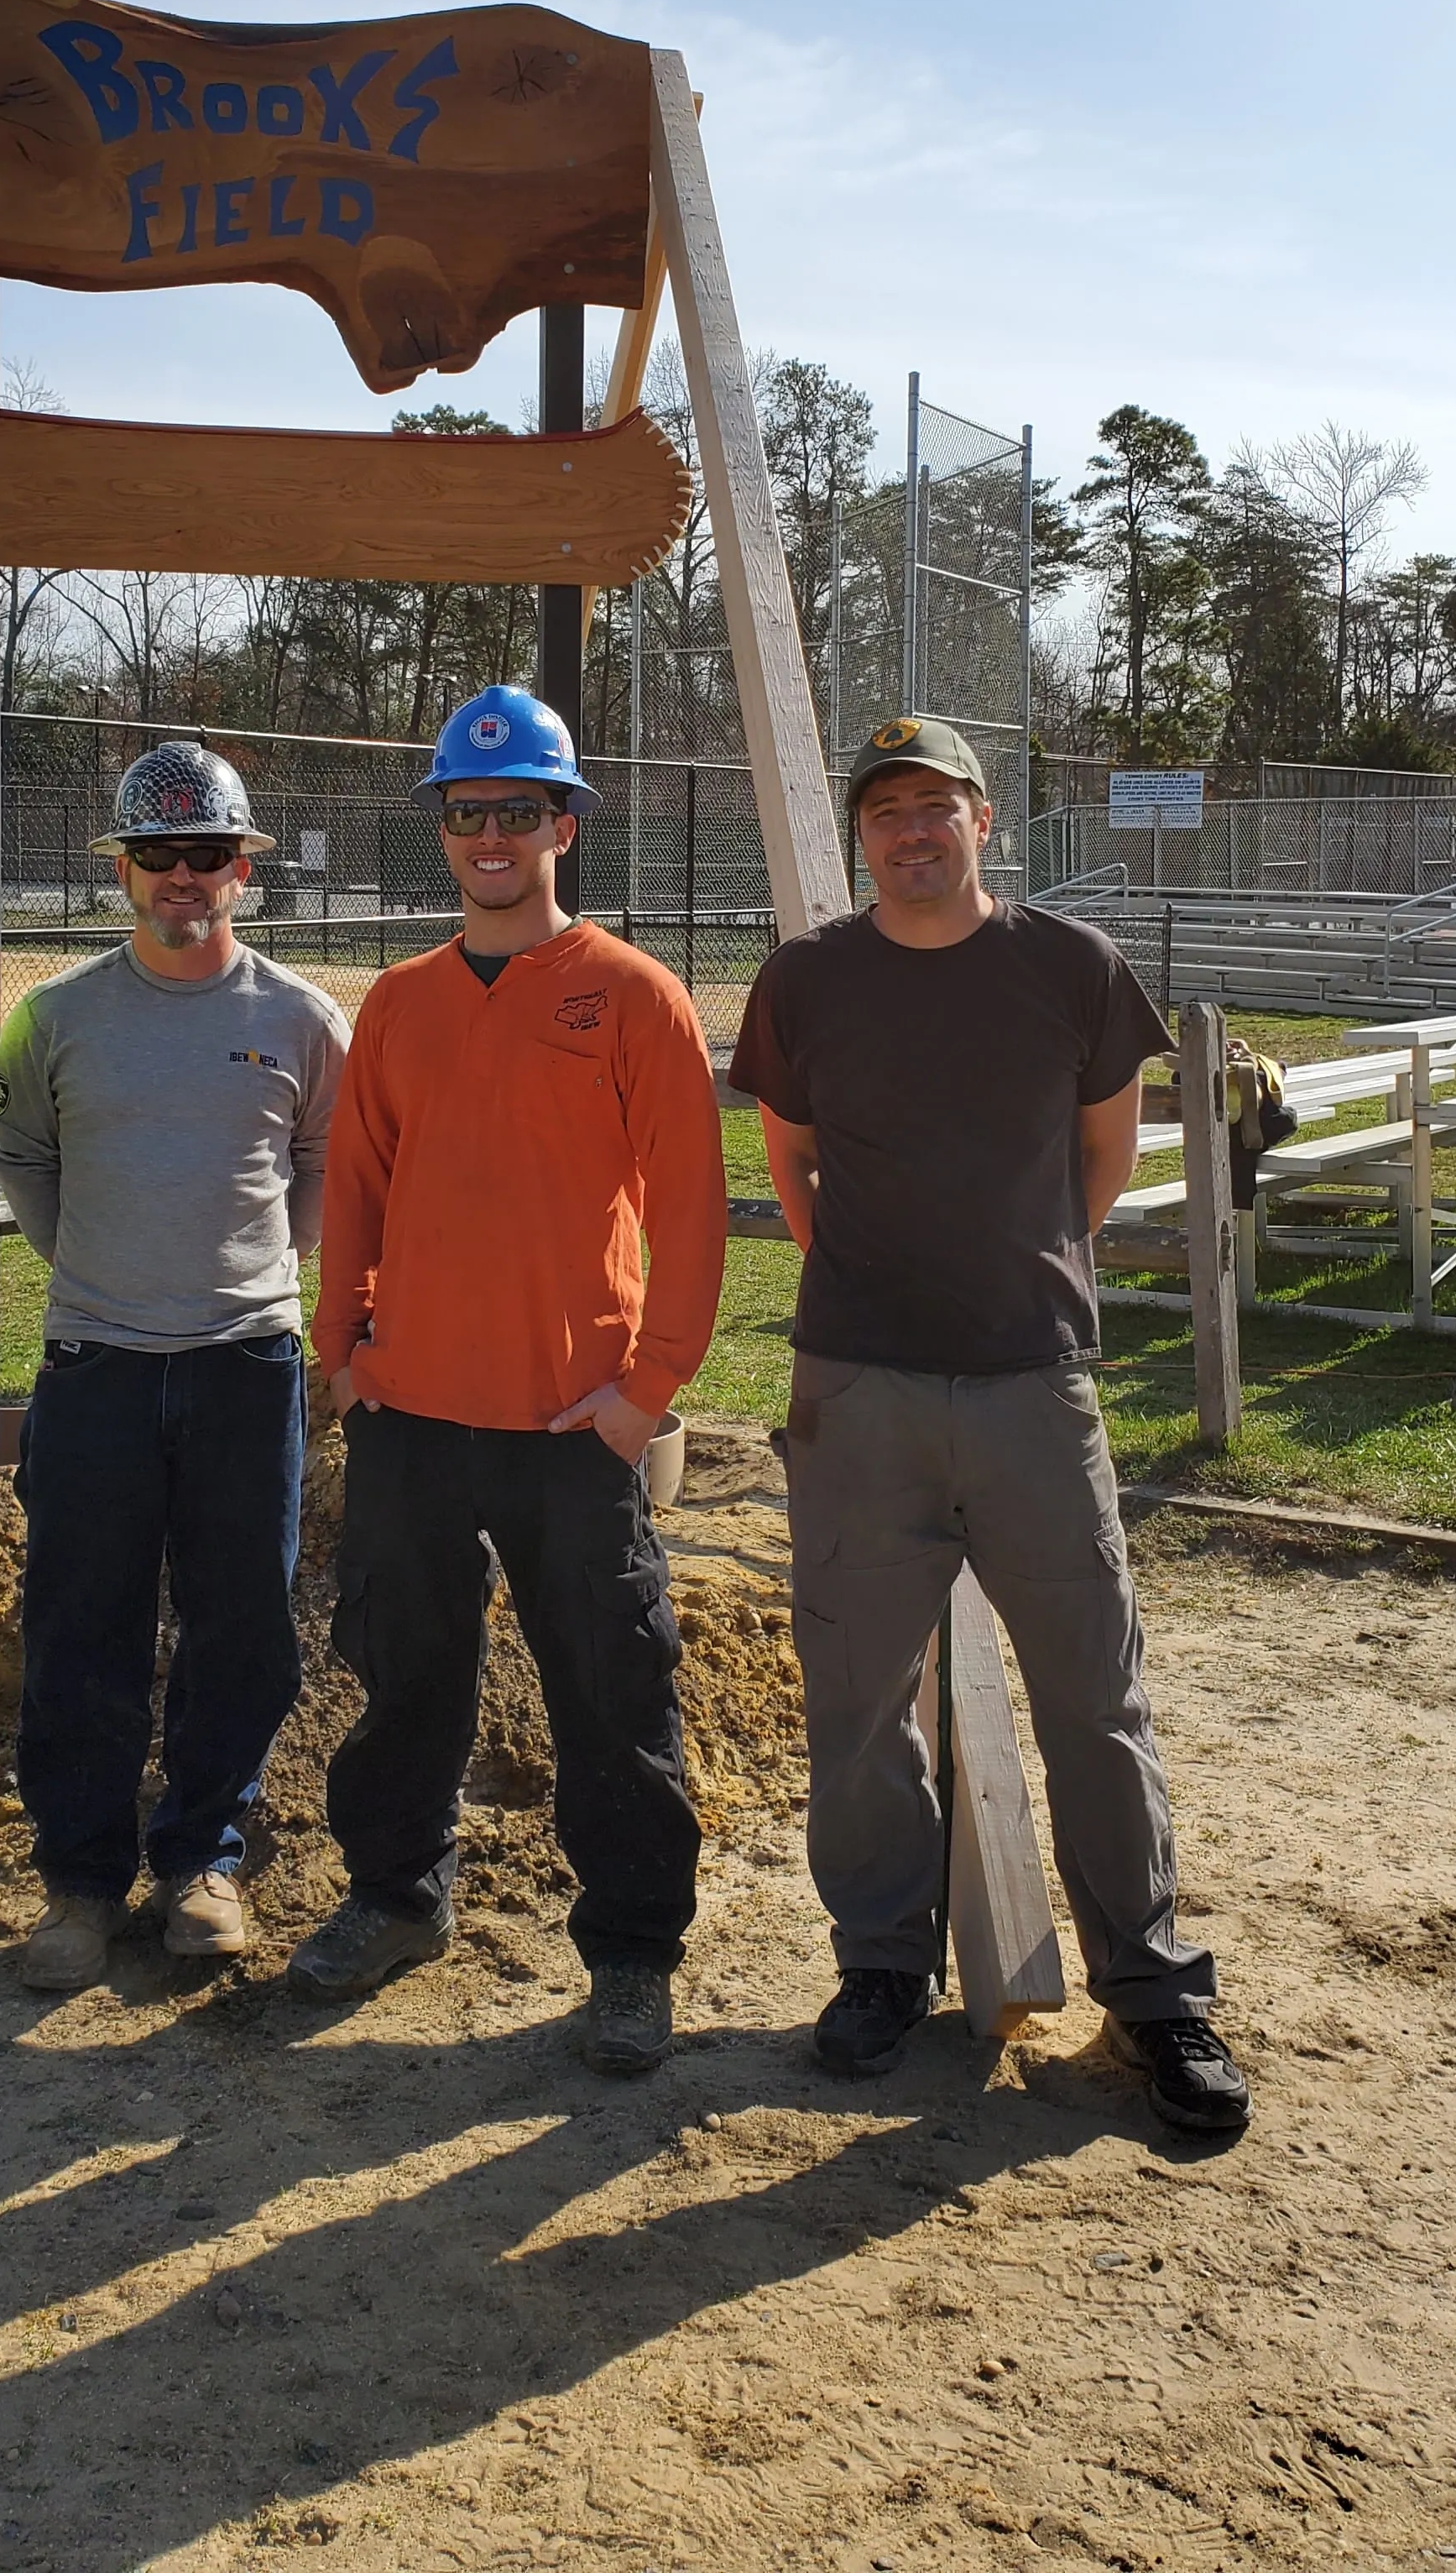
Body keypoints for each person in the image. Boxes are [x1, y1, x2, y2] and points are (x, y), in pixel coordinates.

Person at [728, 714, 1249, 2133]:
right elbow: (789, 1157)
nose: (910, 831)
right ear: (860, 837)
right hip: (859, 1391)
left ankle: (1153, 1994)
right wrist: (882, 1286)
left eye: (935, 806)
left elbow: (1106, 1149)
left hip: (1033, 1385)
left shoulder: (1070, 968)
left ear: (983, 820)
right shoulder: (808, 981)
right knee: (857, 1704)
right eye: (883, 810)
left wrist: (1021, 1276)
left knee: (1095, 1694)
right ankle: (882, 1964)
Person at [292, 685, 728, 2078]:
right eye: (468, 813)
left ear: (566, 825)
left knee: (612, 1688)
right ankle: (397, 1898)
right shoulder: (404, 1004)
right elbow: (353, 1186)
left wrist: (645, 1392)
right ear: (442, 830)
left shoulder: (632, 995)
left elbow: (695, 1210)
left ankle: (631, 1955)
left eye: (519, 812)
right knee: (403, 1674)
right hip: (415, 1412)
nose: (492, 835)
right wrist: (345, 1352)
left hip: (568, 1423)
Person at [0, 743, 347, 1983]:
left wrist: (250, 1268)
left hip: (247, 1363)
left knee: (241, 1623)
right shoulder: (57, 1018)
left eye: (208, 856)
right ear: (124, 872)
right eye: (158, 857)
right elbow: (24, 1163)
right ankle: (80, 1887)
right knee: (83, 1622)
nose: (183, 879)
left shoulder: (300, 1018)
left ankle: (204, 1860)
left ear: (244, 870)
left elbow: (323, 1167)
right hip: (99, 1366)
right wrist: (102, 1264)